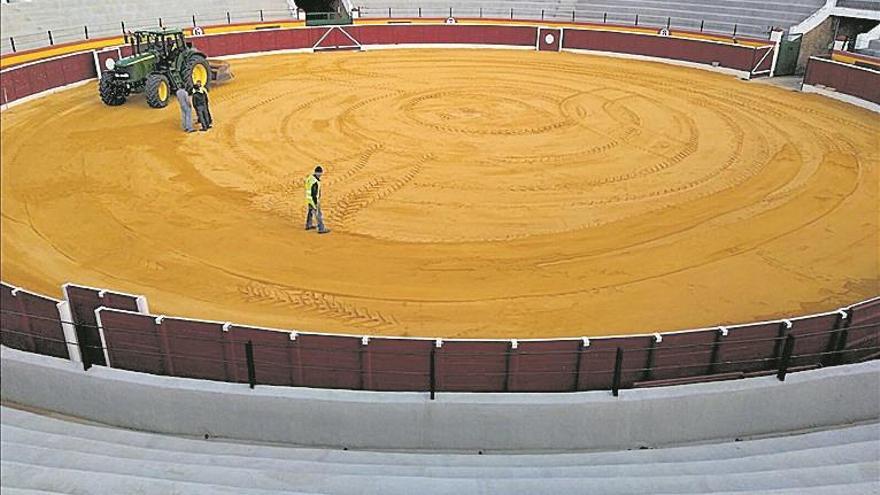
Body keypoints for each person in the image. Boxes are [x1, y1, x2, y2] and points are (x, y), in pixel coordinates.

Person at [305, 166, 330, 234]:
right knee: (318, 214)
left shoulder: (310, 178)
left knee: (310, 212)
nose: (320, 175)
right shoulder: (315, 181)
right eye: (319, 173)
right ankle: (321, 228)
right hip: (313, 200)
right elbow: (314, 193)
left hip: (308, 199)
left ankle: (308, 225)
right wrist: (315, 202)